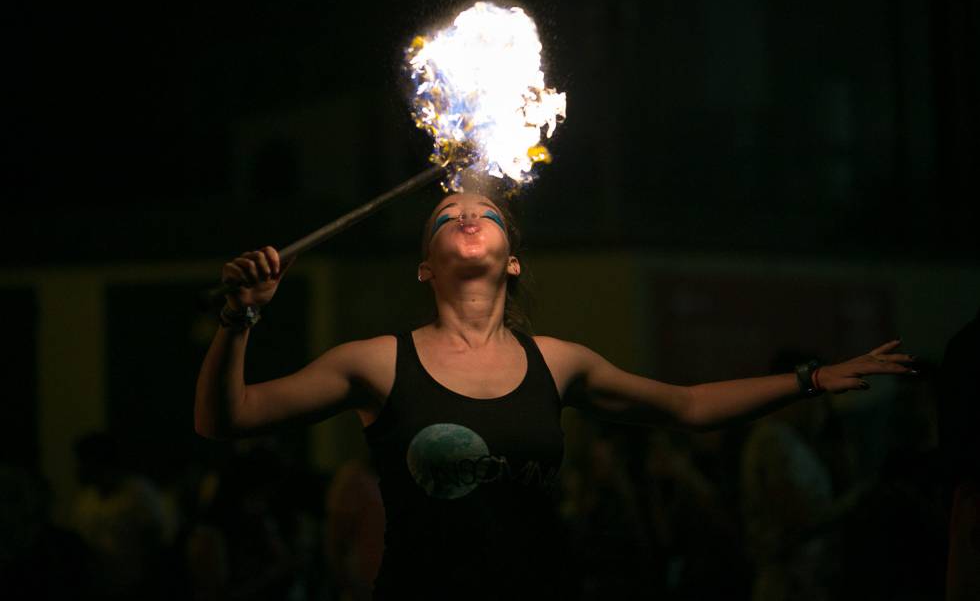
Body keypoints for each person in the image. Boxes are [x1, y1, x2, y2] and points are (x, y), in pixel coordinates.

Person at [195, 187, 916, 599]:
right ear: (424, 268)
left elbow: (688, 407)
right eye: (446, 214)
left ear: (512, 262)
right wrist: (241, 316)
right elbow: (226, 418)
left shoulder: (560, 362)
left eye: (485, 212)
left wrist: (809, 380)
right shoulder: (378, 363)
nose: (466, 213)